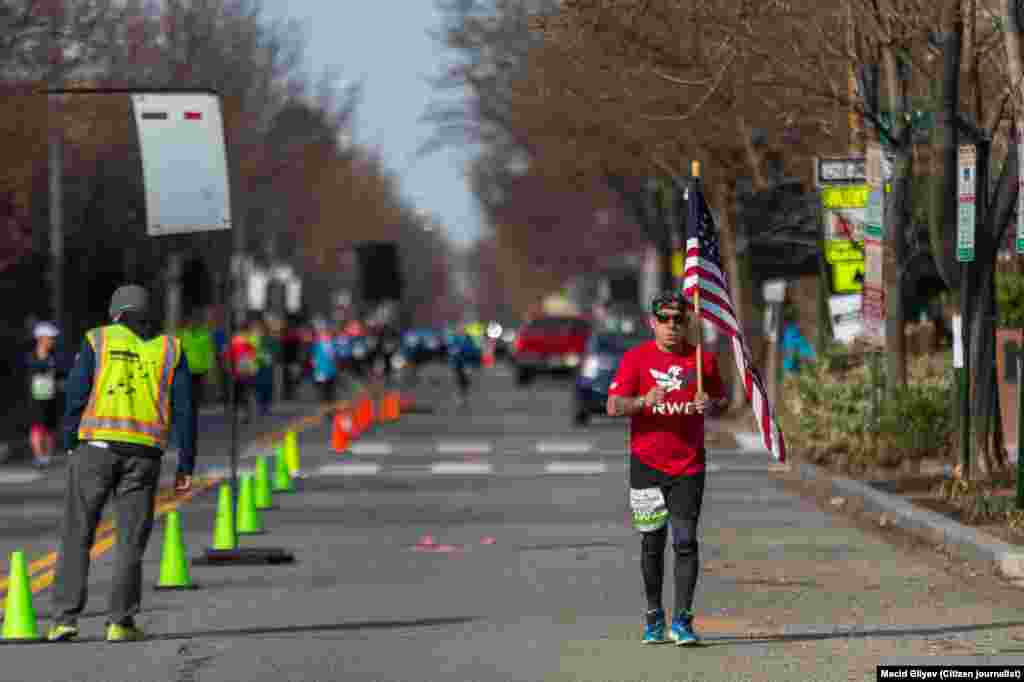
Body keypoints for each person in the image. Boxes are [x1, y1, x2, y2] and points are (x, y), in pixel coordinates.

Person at [48, 284, 196, 643]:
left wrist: (69, 442)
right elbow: (185, 410)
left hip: (95, 450)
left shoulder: (98, 339)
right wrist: (185, 464)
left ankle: (65, 619)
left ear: (115, 312)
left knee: (77, 533)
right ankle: (120, 622)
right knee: (131, 540)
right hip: (144, 456)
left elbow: (76, 393)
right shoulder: (170, 349)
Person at [606, 291, 728, 646]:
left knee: (686, 541)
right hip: (646, 462)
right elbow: (614, 406)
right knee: (652, 543)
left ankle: (683, 621)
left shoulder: (702, 360)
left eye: (679, 319)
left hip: (688, 463)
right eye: (665, 319)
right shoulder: (636, 359)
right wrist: (644, 401)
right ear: (653, 323)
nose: (672, 325)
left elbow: (721, 400)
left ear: (687, 321)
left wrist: (711, 404)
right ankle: (654, 614)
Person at [25, 321, 65, 468]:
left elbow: (60, 375)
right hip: (36, 398)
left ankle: (46, 457)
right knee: (37, 427)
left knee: (50, 428)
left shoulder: (55, 357)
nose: (52, 341)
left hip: (51, 397)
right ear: (41, 338)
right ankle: (39, 456)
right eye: (50, 338)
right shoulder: (30, 356)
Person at [174, 308, 216, 440]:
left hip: (200, 372)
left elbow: (209, 353)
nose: (192, 324)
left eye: (195, 321)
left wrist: (210, 370)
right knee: (185, 401)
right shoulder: (180, 335)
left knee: (194, 401)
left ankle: (190, 422)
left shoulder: (204, 335)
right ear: (186, 322)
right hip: (184, 372)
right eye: (190, 322)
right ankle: (185, 424)